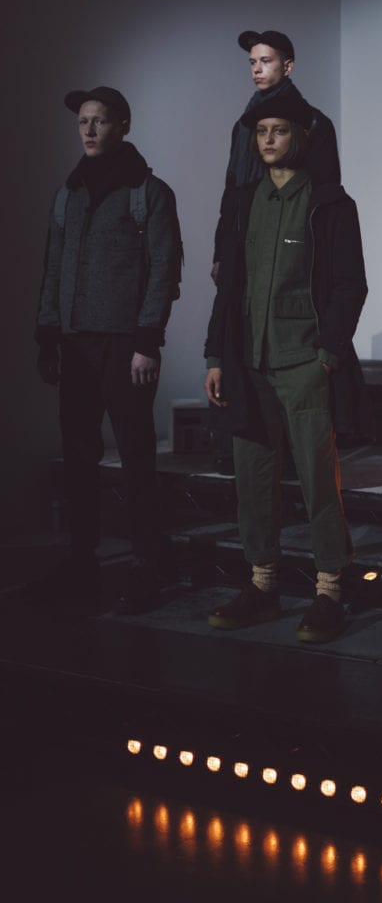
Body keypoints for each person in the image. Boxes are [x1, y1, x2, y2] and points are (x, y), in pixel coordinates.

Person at [204, 90, 369, 642]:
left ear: (300, 136)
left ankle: (330, 590)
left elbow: (350, 285)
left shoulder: (329, 202)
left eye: (278, 130)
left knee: (319, 481)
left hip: (304, 363)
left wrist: (328, 353)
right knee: (253, 480)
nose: (269, 139)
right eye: (261, 131)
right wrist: (215, 355)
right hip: (248, 364)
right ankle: (262, 584)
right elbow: (229, 288)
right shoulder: (243, 201)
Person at [34, 86, 182, 612]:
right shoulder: (68, 194)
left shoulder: (149, 192)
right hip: (76, 344)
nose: (89, 130)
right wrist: (47, 334)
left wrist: (148, 340)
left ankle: (146, 563)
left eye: (99, 121)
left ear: (123, 126)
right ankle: (81, 559)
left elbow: (164, 269)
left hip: (124, 345)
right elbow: (54, 267)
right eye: (83, 121)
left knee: (136, 455)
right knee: (79, 456)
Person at [211, 29, 340, 279]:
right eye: (252, 62)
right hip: (241, 238)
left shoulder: (314, 123)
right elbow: (232, 190)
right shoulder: (244, 126)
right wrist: (220, 252)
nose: (257, 69)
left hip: (289, 245)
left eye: (266, 61)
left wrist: (322, 258)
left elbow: (326, 195)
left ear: (287, 66)